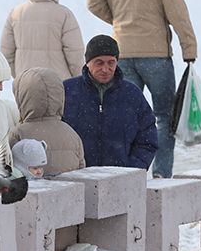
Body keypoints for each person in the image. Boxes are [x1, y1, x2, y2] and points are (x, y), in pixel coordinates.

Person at [85, 0, 197, 177]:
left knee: (125, 115)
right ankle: (160, 172)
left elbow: (93, 2)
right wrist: (189, 46)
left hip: (121, 53)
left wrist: (120, 20)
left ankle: (127, 173)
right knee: (163, 116)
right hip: (155, 53)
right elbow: (176, 8)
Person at [62, 34, 158, 170]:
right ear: (87, 63)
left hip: (121, 179)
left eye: (111, 62)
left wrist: (133, 168)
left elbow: (148, 137)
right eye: (99, 62)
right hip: (77, 177)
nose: (105, 69)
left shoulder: (132, 94)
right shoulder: (67, 91)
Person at [1, 0, 86, 84]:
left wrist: (20, 75)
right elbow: (75, 56)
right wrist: (78, 81)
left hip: (26, 86)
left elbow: (6, 54)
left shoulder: (16, 14)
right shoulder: (64, 15)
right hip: (60, 87)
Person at [10, 67, 85, 177]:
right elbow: (81, 168)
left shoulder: (19, 133)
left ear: (23, 97)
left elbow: (10, 171)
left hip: (35, 192)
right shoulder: (71, 133)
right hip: (70, 191)